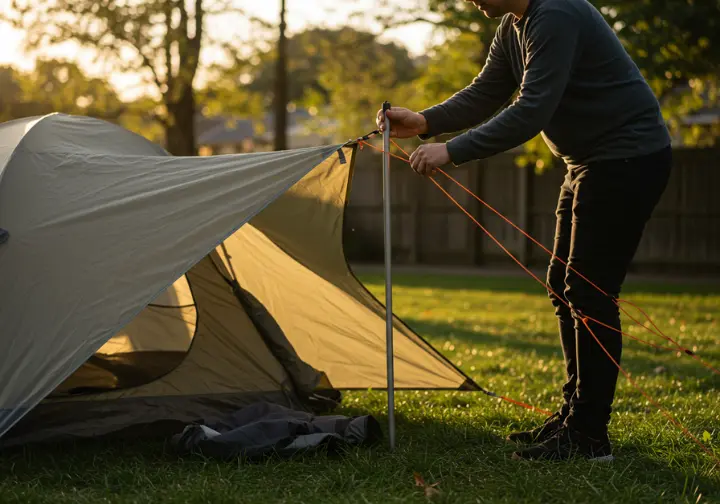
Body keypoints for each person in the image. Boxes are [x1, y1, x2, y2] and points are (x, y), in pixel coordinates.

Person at [377, 0, 672, 462]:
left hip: (627, 160)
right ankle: (575, 418)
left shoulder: (556, 14)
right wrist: (426, 121)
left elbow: (532, 109)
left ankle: (590, 437)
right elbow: (487, 91)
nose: (471, 0)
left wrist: (450, 151)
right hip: (588, 164)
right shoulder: (515, 26)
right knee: (563, 286)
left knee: (590, 292)